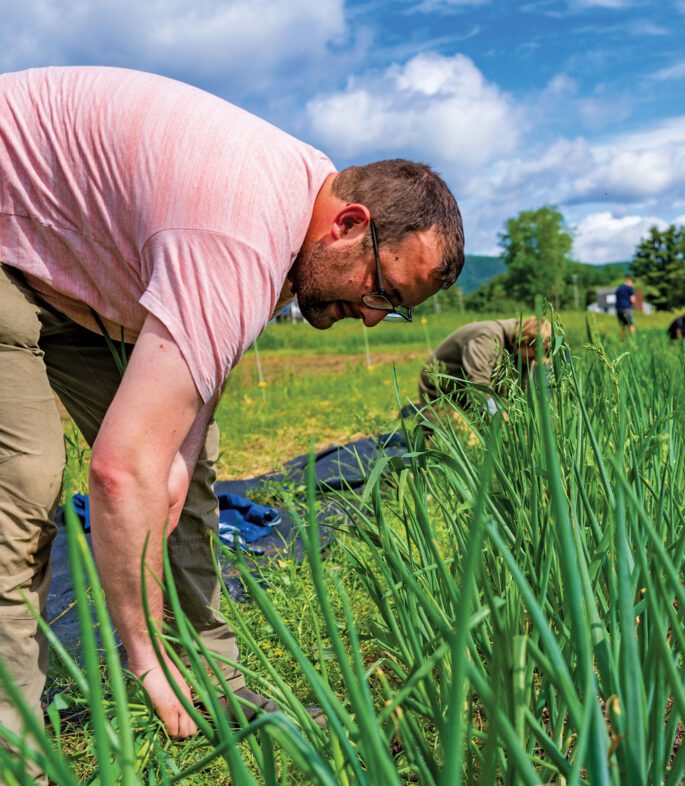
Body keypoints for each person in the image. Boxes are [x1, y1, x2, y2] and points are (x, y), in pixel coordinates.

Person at [0, 66, 464, 745]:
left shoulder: (303, 223)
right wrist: (143, 655)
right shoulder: (241, 233)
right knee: (26, 485)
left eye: (391, 312)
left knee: (189, 471)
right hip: (12, 242)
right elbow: (119, 473)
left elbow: (179, 439)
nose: (371, 318)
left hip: (78, 266)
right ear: (350, 223)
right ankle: (19, 749)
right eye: (382, 290)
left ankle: (211, 681)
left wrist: (175, 465)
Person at [414, 316, 551, 415]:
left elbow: (518, 390)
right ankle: (419, 413)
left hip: (468, 396)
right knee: (469, 444)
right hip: (442, 392)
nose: (538, 357)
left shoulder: (520, 350)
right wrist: (500, 417)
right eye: (537, 352)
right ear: (526, 341)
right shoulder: (487, 338)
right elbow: (478, 386)